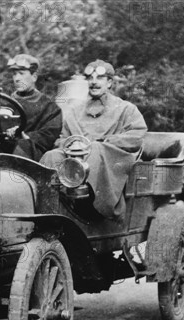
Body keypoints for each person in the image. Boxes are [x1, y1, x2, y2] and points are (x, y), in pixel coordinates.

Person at [40, 59, 148, 219]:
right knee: (52, 156)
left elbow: (136, 137)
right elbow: (61, 139)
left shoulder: (126, 109)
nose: (94, 82)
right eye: (90, 78)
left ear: (110, 82)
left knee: (96, 149)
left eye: (100, 78)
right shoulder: (74, 110)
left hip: (112, 162)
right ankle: (49, 210)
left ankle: (90, 205)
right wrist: (71, 144)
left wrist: (105, 142)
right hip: (74, 160)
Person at [0, 54, 62, 161]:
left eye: (21, 73)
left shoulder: (50, 107)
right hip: (6, 146)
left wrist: (22, 134)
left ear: (34, 77)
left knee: (22, 146)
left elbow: (49, 135)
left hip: (30, 153)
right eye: (14, 74)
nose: (17, 79)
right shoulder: (5, 102)